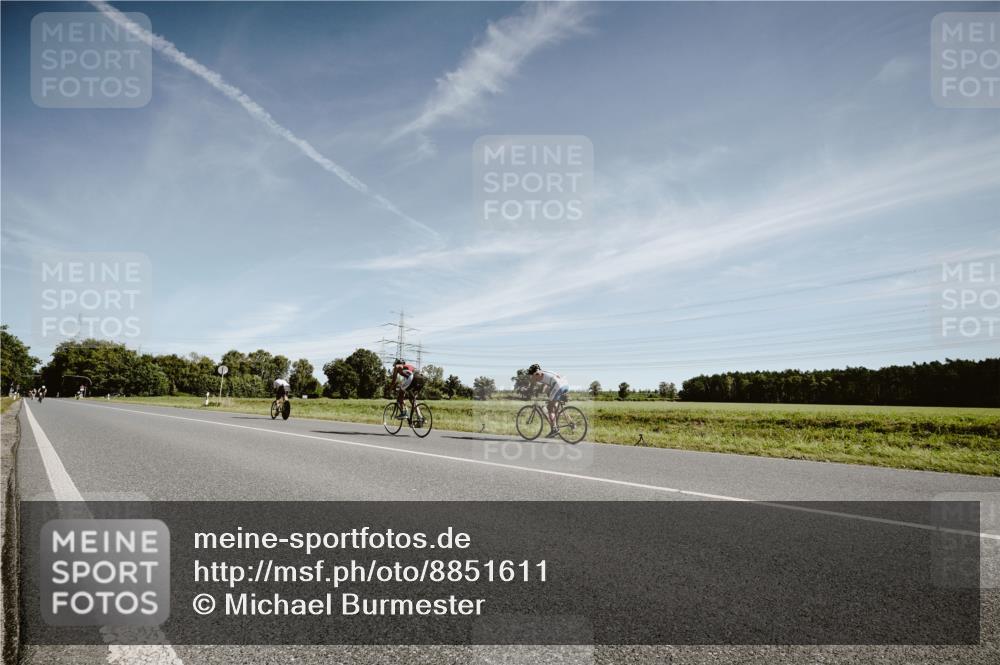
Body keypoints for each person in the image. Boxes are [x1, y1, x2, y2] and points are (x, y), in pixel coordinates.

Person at [527, 364, 570, 438]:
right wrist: (541, 390)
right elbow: (546, 385)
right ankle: (568, 422)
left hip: (558, 385)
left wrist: (530, 391)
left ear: (534, 373)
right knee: (554, 406)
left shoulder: (537, 374)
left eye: (532, 374)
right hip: (565, 384)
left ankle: (554, 430)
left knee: (550, 408)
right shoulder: (545, 373)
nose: (532, 376)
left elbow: (534, 383)